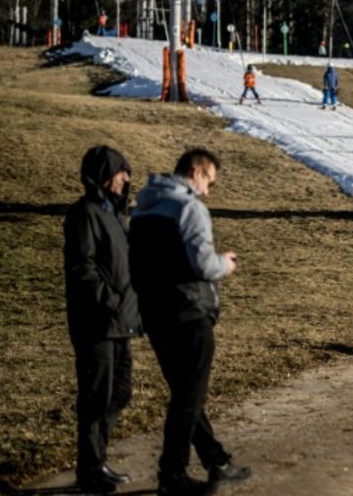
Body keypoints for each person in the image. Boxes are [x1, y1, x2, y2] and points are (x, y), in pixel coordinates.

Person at [129, 150, 251, 495]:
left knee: (185, 393)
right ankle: (172, 475)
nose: (208, 191)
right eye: (208, 181)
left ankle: (217, 461)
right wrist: (224, 264)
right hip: (189, 311)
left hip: (154, 313)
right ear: (195, 171)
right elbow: (202, 265)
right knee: (189, 397)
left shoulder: (143, 209)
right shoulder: (190, 208)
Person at [63, 146, 142, 494]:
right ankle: (90, 469)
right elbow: (83, 268)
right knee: (96, 396)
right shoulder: (85, 214)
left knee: (119, 393)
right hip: (96, 322)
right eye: (120, 172)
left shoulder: (115, 214)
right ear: (102, 175)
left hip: (120, 320)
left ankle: (97, 460)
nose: (126, 178)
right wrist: (110, 302)